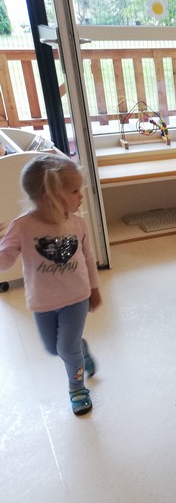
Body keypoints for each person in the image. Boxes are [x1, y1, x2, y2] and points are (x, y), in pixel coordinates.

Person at [0, 154, 101, 416]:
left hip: (77, 297)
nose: (81, 196)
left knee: (66, 348)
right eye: (75, 191)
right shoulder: (22, 227)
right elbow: (4, 263)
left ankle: (77, 389)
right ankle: (81, 349)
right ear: (50, 196)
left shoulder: (77, 223)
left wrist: (94, 288)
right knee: (53, 348)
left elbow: (88, 258)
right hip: (42, 301)